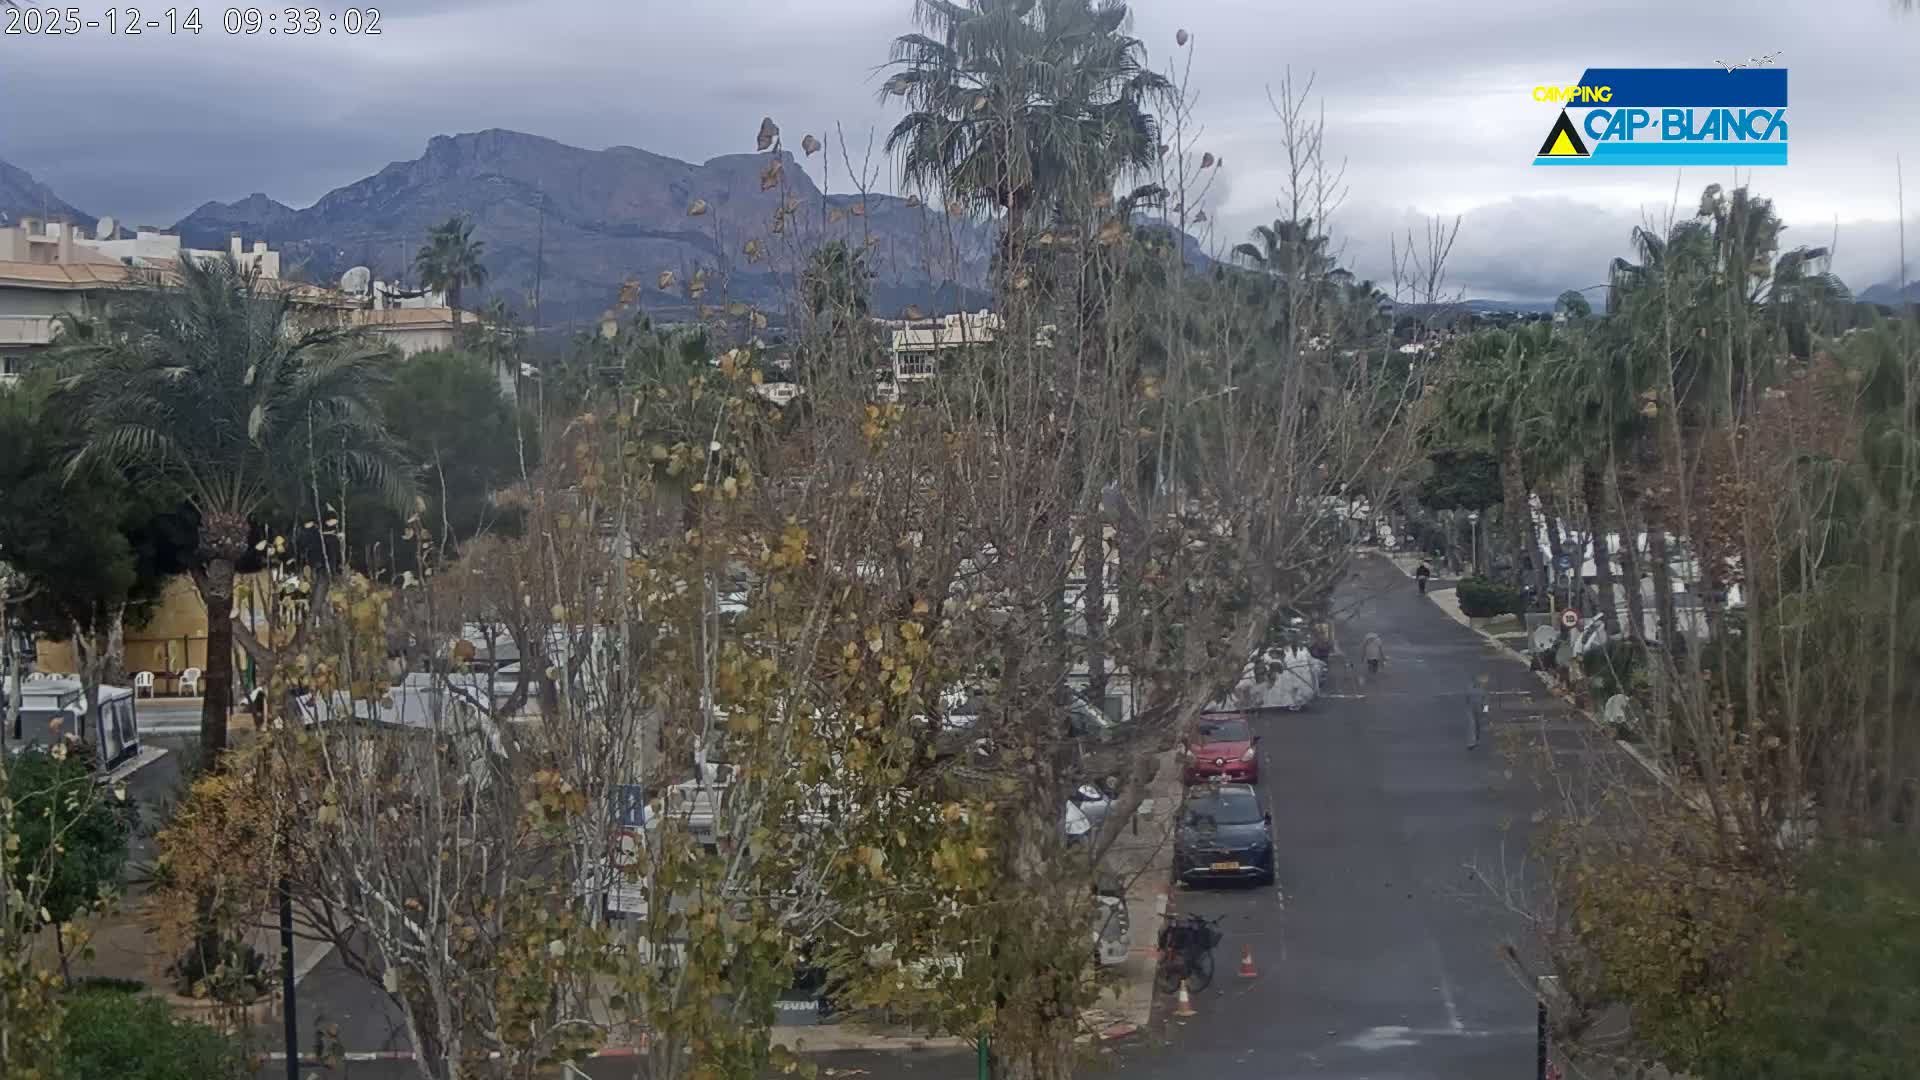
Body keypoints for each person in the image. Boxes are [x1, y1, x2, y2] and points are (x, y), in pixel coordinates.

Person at [1466, 672, 1490, 749]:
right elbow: (1467, 698)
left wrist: (1485, 711)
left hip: (1479, 709)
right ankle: (1472, 742)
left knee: (1477, 724)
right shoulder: (1470, 688)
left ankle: (1477, 738)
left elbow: (1486, 702)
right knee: (1472, 724)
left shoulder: (1483, 691)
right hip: (1471, 709)